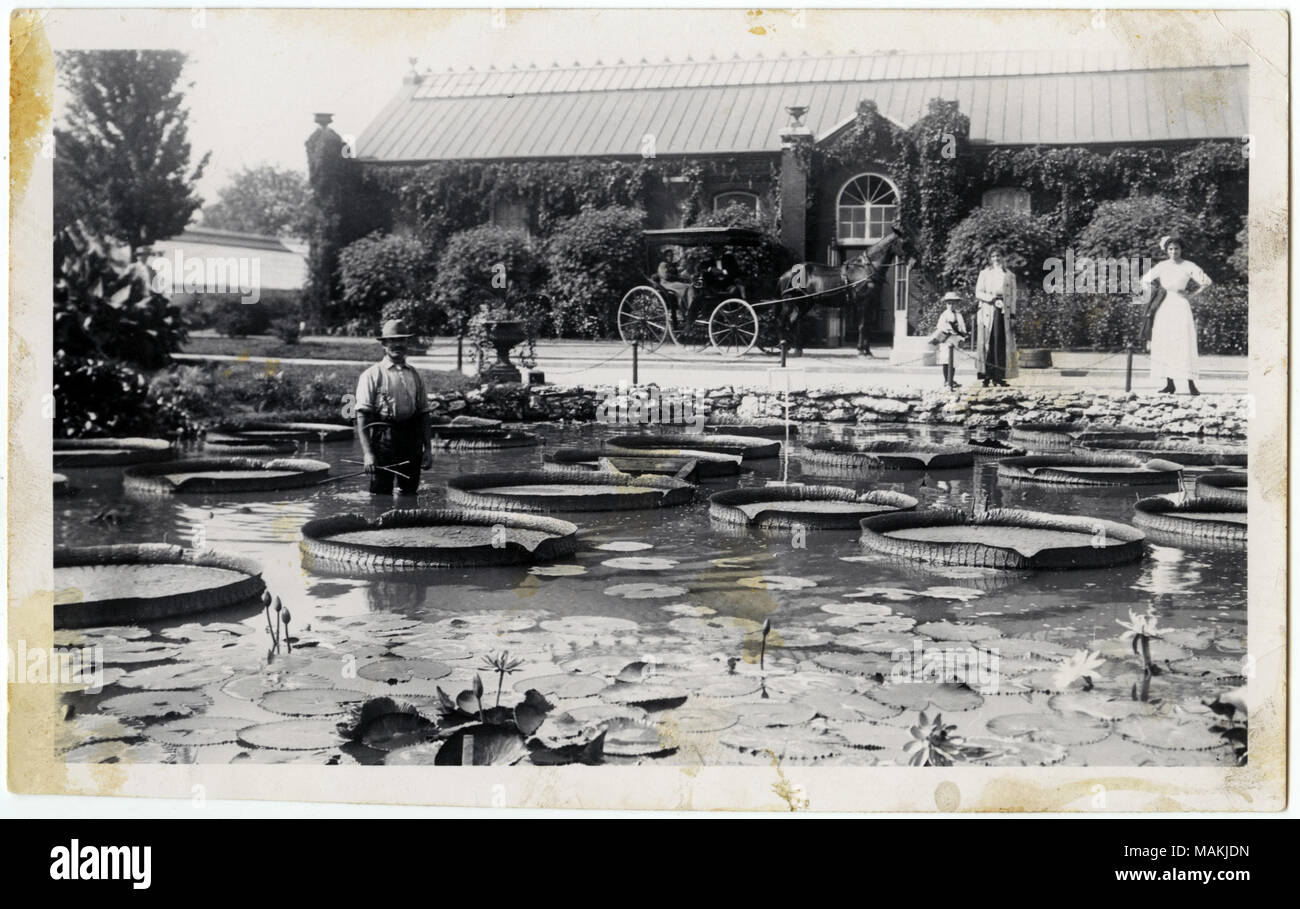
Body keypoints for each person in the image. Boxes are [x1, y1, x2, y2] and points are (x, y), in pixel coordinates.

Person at [354, 319, 434, 495]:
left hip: (412, 441)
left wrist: (427, 448)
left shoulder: (415, 374)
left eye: (402, 340)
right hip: (384, 441)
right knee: (380, 495)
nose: (397, 344)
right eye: (392, 340)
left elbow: (424, 414)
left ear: (407, 343)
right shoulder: (371, 375)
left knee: (410, 493)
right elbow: (362, 417)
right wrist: (368, 454)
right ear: (384, 344)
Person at [1139, 235, 1212, 396]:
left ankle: (1191, 384)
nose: (1174, 252)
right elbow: (1144, 280)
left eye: (1177, 248)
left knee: (1183, 342)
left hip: (1180, 305)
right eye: (1170, 249)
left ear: (1181, 249)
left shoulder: (1188, 265)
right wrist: (1156, 291)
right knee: (1166, 342)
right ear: (1166, 250)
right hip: (1164, 306)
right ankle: (1169, 384)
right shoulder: (1162, 266)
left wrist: (1191, 295)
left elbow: (1206, 281)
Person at [848, 222, 911, 357]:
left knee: (867, 317)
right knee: (864, 316)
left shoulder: (876, 271)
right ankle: (861, 347)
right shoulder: (865, 272)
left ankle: (864, 346)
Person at [974, 248, 1017, 387]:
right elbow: (978, 292)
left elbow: (1013, 296)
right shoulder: (985, 273)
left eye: (998, 256)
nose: (996, 259)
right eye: (993, 256)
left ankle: (999, 376)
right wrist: (991, 299)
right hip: (988, 309)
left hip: (1003, 311)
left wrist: (1013, 314)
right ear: (990, 258)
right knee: (987, 342)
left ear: (1003, 257)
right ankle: (986, 375)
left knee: (1001, 343)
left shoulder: (1009, 275)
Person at [930, 291, 968, 390]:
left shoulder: (959, 315)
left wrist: (962, 338)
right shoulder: (944, 315)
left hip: (955, 339)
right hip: (946, 339)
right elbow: (940, 327)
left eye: (953, 303)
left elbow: (963, 329)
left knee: (954, 361)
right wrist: (947, 328)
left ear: (956, 304)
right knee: (946, 359)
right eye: (949, 303)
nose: (951, 305)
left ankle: (951, 379)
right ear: (946, 304)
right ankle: (946, 380)